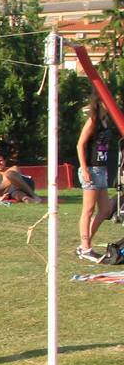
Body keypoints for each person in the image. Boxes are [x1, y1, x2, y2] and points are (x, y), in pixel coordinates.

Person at [75, 92, 118, 262]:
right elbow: (80, 144)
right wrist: (84, 169)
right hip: (91, 169)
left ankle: (84, 244)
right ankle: (85, 248)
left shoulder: (106, 121)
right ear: (100, 102)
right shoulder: (93, 121)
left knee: (106, 210)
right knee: (88, 210)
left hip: (102, 170)